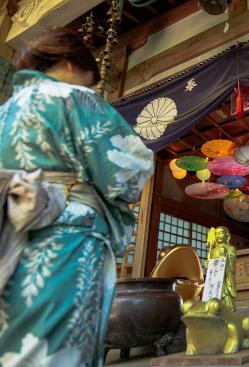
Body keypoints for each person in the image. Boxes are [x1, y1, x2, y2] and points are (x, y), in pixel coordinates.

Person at [0, 28, 154, 366]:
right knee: (59, 343)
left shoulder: (5, 111)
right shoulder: (72, 98)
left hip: (9, 232)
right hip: (66, 232)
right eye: (88, 81)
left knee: (15, 339)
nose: (87, 89)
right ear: (71, 66)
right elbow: (128, 167)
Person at [206, 226, 237, 311]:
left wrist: (225, 257)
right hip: (215, 280)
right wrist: (209, 264)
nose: (218, 235)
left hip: (225, 279)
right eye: (216, 233)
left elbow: (231, 263)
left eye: (220, 233)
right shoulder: (213, 250)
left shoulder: (230, 248)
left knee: (226, 301)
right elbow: (211, 267)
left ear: (227, 236)